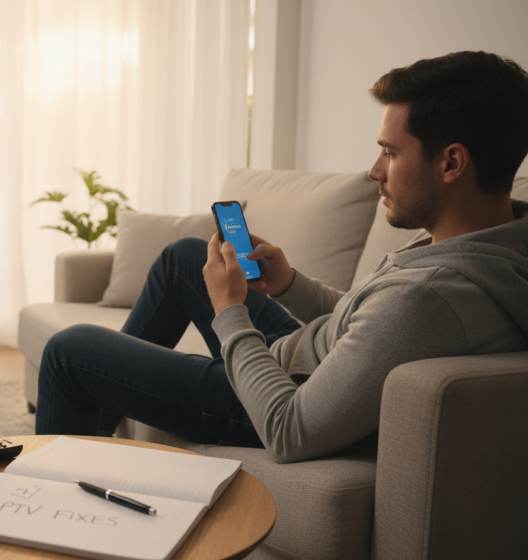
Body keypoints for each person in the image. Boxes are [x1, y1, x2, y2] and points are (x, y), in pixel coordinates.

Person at [34, 51, 528, 463]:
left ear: (452, 162)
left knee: (69, 351)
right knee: (183, 259)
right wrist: (291, 284)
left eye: (391, 153)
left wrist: (230, 312)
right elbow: (367, 321)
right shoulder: (490, 243)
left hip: (272, 396)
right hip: (309, 361)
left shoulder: (428, 297)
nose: (375, 171)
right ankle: (94, 433)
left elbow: (290, 429)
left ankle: (44, 500)